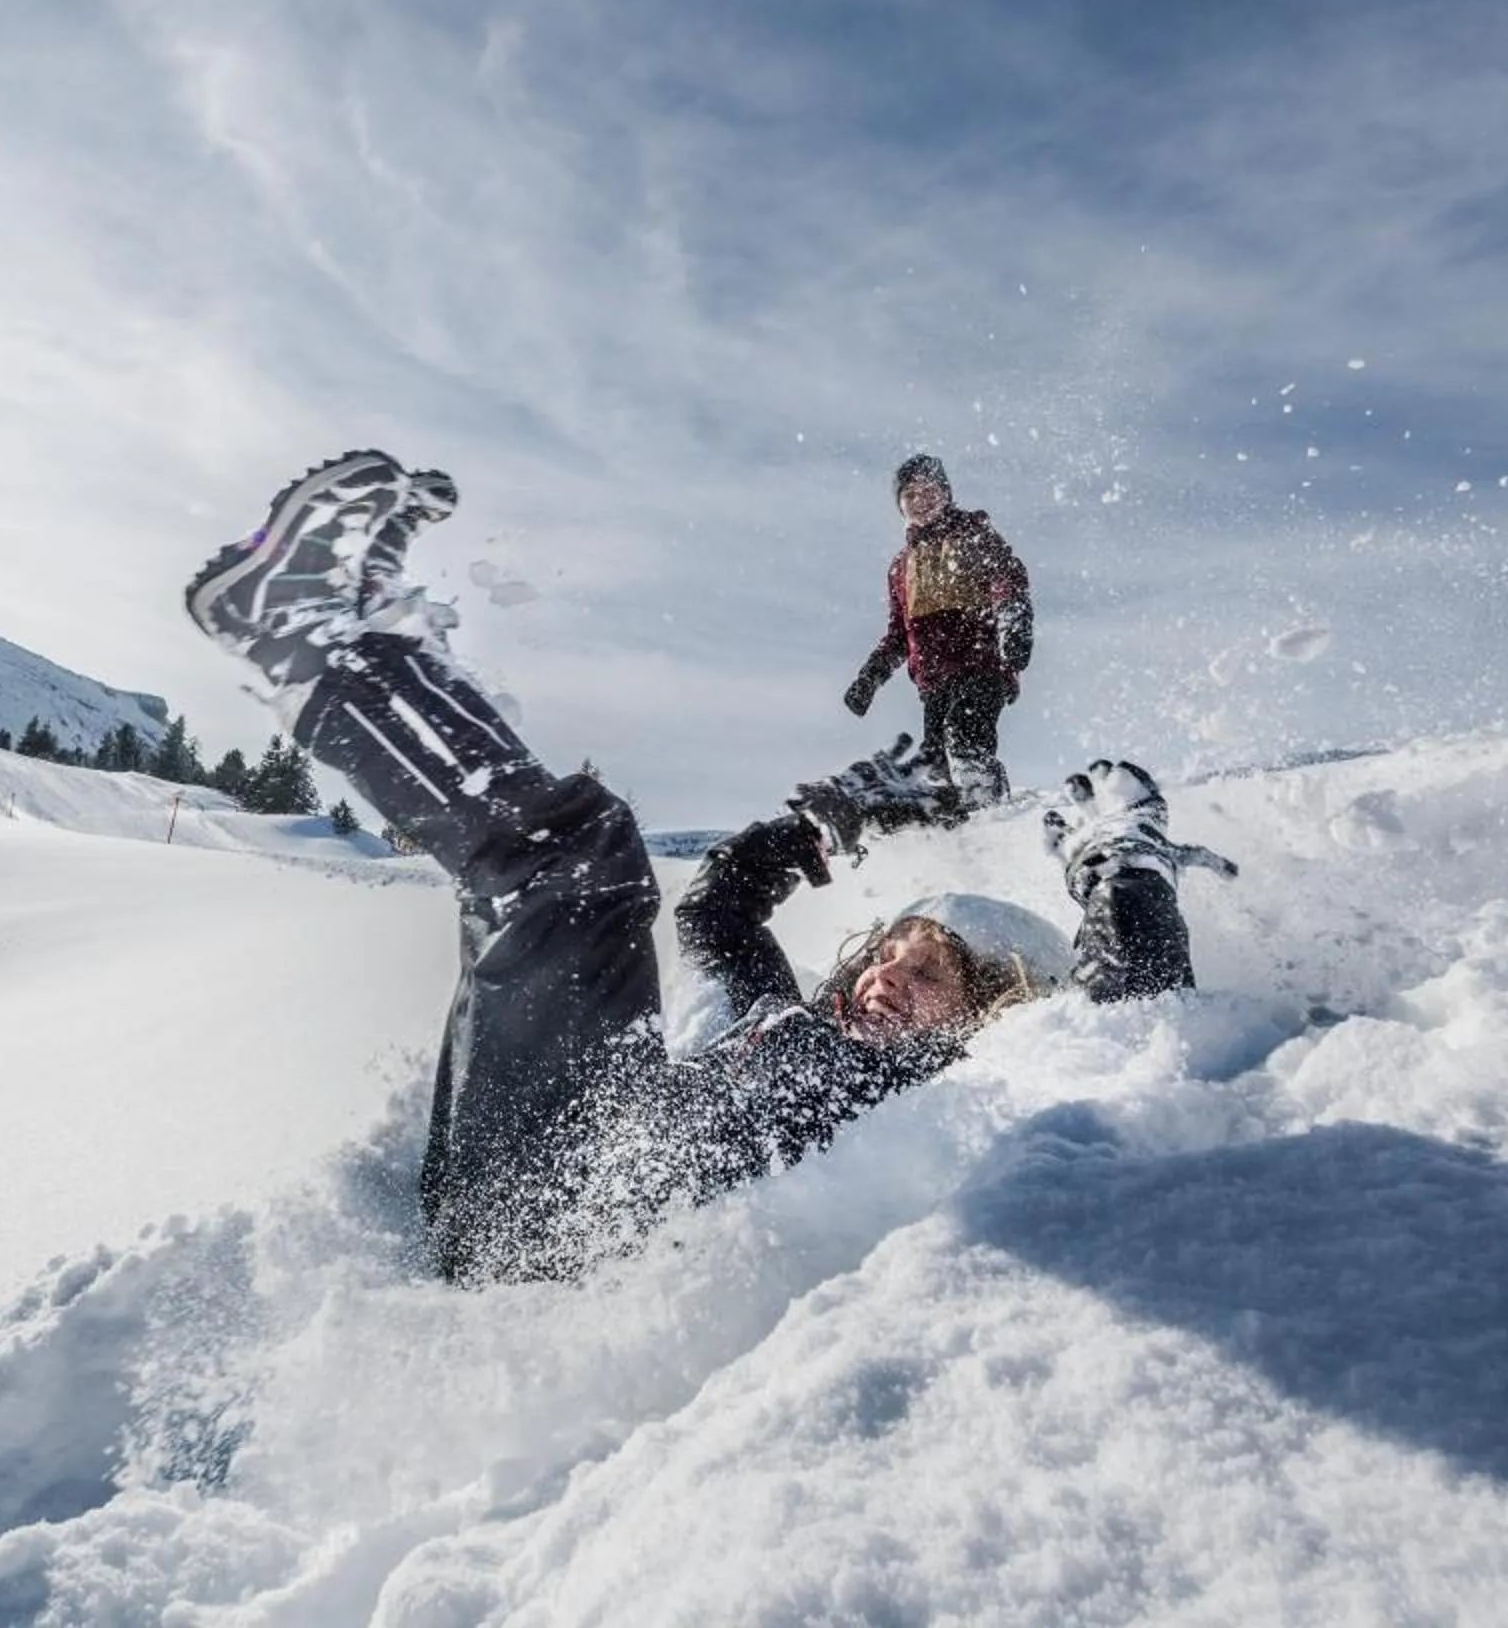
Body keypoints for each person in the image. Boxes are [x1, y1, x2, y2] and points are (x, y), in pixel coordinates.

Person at [187, 451, 1043, 1283]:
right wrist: (825, 826)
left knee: (573, 860)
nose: (886, 974)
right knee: (577, 859)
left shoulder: (942, 1098)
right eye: (889, 952)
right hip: (570, 1157)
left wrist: (1127, 862)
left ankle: (311, 639)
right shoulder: (790, 1020)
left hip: (564, 1213)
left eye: (928, 970)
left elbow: (1133, 1019)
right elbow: (717, 911)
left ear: (986, 1010)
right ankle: (364, 633)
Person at [844, 453, 1031, 804]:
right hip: (933, 682)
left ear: (946, 494)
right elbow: (899, 635)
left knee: (963, 736)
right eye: (910, 495)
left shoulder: (973, 533)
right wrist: (869, 678)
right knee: (937, 763)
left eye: (928, 491)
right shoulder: (901, 568)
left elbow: (1007, 579)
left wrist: (1015, 621)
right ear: (900, 506)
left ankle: (988, 806)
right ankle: (955, 837)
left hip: (981, 666)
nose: (920, 501)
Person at [1040, 759, 1239, 1001]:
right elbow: (1201, 856)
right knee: (1171, 991)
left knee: (1103, 978)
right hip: (1146, 883)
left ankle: (1087, 846)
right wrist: (1226, 868)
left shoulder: (1161, 850)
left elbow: (1200, 856)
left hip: (1103, 881)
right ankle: (1102, 841)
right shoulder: (1167, 849)